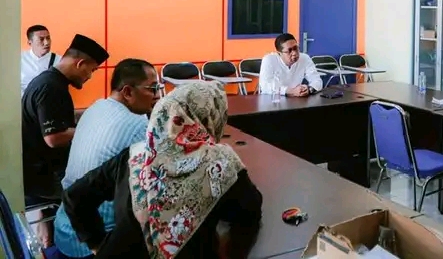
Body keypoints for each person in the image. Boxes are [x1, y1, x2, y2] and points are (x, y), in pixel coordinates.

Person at [62, 81, 263, 258]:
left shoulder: (134, 155)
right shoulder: (220, 162)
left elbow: (75, 195)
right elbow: (249, 209)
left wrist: (98, 244)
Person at [54, 59, 162, 259]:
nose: (157, 96)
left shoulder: (95, 107)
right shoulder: (138, 125)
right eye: (152, 88)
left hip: (64, 229)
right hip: (97, 241)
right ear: (127, 92)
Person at [21, 33, 109, 246]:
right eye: (92, 70)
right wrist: (89, 128)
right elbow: (54, 138)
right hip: (44, 178)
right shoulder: (51, 88)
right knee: (105, 193)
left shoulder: (48, 81)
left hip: (40, 170)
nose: (90, 76)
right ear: (80, 63)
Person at [259, 32, 323, 96]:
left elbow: (317, 81)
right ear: (279, 53)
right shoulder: (269, 60)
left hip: (296, 98)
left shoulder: (305, 58)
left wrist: (309, 89)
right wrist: (290, 91)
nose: (294, 53)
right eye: (289, 50)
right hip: (274, 99)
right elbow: (265, 86)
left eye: (296, 48)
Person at [21, 25, 63, 95]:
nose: (46, 43)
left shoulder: (59, 61)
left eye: (48, 38)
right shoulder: (19, 59)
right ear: (30, 43)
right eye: (41, 39)